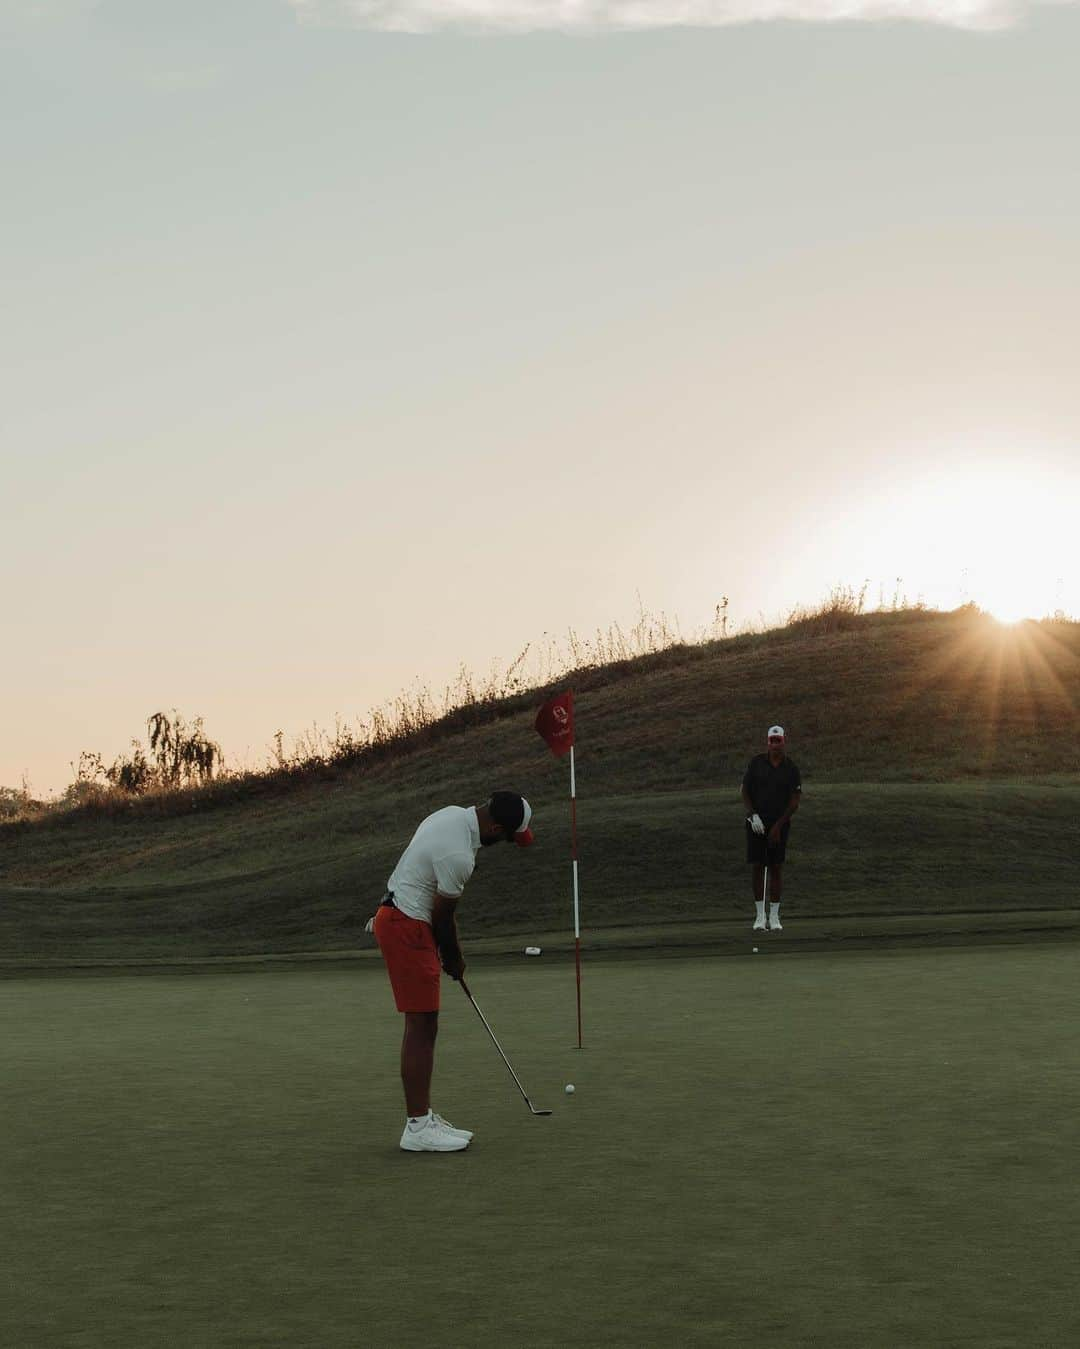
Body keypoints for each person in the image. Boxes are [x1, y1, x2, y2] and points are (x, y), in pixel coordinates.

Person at [365, 791, 534, 1153]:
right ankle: (417, 1127)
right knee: (421, 1025)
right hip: (406, 925)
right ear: (496, 827)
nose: (504, 843)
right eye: (506, 837)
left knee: (426, 1024)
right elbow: (443, 917)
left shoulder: (453, 815)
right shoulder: (459, 855)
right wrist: (454, 959)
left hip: (402, 917)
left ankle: (422, 1116)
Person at [741, 726, 801, 933]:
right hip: (757, 823)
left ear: (784, 741)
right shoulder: (756, 763)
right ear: (767, 742)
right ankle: (760, 917)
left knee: (775, 867)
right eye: (772, 741)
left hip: (780, 823)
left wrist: (778, 825)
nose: (775, 744)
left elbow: (794, 801)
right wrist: (752, 815)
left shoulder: (791, 768)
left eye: (778, 740)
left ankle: (774, 917)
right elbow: (745, 791)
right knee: (758, 867)